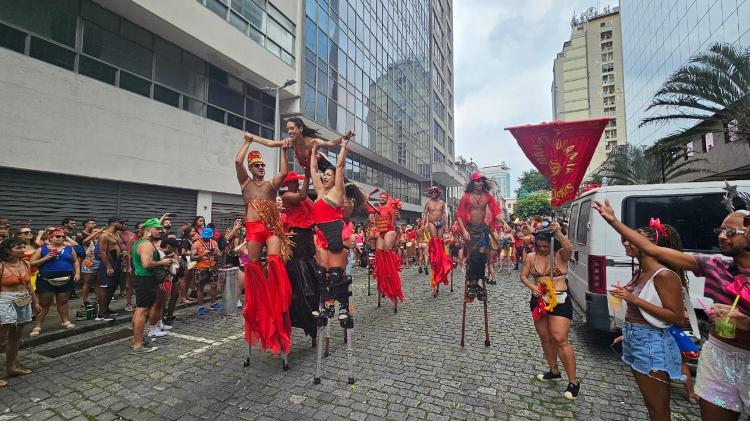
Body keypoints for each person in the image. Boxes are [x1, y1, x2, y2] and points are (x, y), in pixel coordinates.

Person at [592, 200, 750, 420]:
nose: (722, 236)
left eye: (730, 231)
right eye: (720, 231)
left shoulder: (664, 276)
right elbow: (652, 249)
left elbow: (675, 316)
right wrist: (613, 220)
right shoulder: (714, 265)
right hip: (718, 357)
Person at [606, 220, 689, 421]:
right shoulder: (640, 271)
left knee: (658, 409)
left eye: (633, 240)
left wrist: (634, 299)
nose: (626, 242)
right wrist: (626, 334)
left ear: (650, 244)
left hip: (652, 343)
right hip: (636, 339)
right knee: (651, 405)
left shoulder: (664, 275)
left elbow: (677, 318)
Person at [235, 134, 293, 358]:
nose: (260, 167)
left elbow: (284, 173)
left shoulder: (271, 186)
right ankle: (259, 302)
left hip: (272, 229)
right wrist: (248, 142)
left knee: (274, 262)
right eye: (256, 165)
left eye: (262, 165)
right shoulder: (246, 184)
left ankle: (277, 301)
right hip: (253, 230)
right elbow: (237, 162)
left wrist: (283, 149)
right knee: (253, 266)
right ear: (251, 168)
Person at [519, 223, 579, 400]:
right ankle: (554, 371)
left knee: (560, 338)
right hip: (539, 300)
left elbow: (569, 247)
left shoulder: (560, 255)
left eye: (546, 246)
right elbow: (523, 276)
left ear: (552, 245)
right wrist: (532, 286)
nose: (543, 249)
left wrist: (559, 232)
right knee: (545, 337)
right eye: (539, 246)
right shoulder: (530, 257)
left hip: (560, 299)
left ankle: (574, 382)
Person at [310, 140, 352, 320]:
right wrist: (313, 151)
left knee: (336, 274)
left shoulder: (337, 191)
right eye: (324, 174)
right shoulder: (320, 192)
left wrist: (343, 145)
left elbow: (340, 166)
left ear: (336, 179)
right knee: (321, 274)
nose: (325, 177)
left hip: (335, 234)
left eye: (329, 174)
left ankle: (343, 307)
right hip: (320, 235)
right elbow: (313, 170)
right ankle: (328, 307)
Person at [281, 169, 319, 342]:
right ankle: (300, 309)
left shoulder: (305, 197)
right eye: (294, 181)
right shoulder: (287, 196)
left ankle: (312, 309)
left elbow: (315, 209)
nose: (296, 183)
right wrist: (308, 177)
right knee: (298, 275)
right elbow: (301, 197)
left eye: (298, 181)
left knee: (311, 273)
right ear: (288, 184)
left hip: (308, 237)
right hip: (296, 236)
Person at [455, 172, 503, 300]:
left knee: (482, 257)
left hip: (483, 230)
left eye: (482, 180)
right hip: (470, 230)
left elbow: (496, 212)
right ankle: (473, 283)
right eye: (477, 181)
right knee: (474, 256)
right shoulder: (466, 197)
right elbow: (459, 215)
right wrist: (464, 230)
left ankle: (478, 283)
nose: (480, 183)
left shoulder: (487, 196)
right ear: (473, 182)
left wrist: (504, 222)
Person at [0, 238, 41, 387]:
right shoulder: (1, 266)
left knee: (16, 336)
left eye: (23, 246)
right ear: (7, 251)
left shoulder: (25, 263)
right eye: (18, 247)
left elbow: (29, 285)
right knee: (1, 337)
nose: (23, 249)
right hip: (5, 300)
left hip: (23, 299)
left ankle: (11, 367)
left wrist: (35, 302)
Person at [131, 218, 176, 351]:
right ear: (148, 231)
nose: (160, 231)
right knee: (142, 311)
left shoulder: (142, 242)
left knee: (140, 310)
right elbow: (147, 264)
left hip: (143, 278)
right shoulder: (146, 244)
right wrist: (162, 263)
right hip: (145, 279)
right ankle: (138, 344)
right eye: (158, 229)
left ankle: (137, 339)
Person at [247, 117, 354, 170]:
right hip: (310, 170)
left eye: (292, 128)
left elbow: (330, 143)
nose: (289, 132)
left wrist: (345, 137)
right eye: (288, 129)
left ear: (300, 129)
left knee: (343, 182)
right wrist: (253, 139)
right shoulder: (290, 143)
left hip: (323, 165)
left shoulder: (313, 141)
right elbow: (271, 143)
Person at [28, 228, 80, 336]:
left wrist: (77, 273)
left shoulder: (69, 249)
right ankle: (37, 326)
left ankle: (65, 321)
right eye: (58, 236)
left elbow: (75, 261)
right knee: (44, 303)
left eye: (63, 237)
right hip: (46, 280)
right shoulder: (42, 249)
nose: (61, 238)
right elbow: (31, 263)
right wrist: (46, 258)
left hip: (66, 279)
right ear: (50, 238)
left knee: (63, 301)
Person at [371, 191, 405, 308]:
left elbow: (398, 216)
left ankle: (390, 274)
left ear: (387, 198)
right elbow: (372, 217)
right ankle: (382, 274)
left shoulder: (390, 207)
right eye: (380, 196)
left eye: (384, 196)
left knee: (386, 253)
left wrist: (396, 214)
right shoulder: (377, 208)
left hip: (389, 232)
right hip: (380, 232)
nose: (381, 198)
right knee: (379, 254)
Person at [96, 217, 126, 321]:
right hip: (108, 263)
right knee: (105, 288)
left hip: (117, 262)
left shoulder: (117, 234)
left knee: (112, 287)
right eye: (121, 223)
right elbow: (102, 252)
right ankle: (101, 313)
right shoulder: (104, 235)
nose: (123, 225)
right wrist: (108, 266)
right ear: (113, 223)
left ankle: (106, 309)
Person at [191, 227, 221, 316]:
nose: (206, 238)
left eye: (208, 237)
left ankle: (213, 303)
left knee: (214, 285)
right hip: (201, 268)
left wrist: (216, 253)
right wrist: (203, 254)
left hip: (212, 266)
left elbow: (220, 254)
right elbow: (192, 258)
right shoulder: (196, 244)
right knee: (200, 288)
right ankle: (200, 307)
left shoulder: (214, 243)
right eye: (205, 236)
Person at [78, 219, 100, 307]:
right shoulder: (89, 241)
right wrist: (94, 235)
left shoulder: (102, 241)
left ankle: (98, 299)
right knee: (87, 282)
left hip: (99, 263)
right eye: (95, 231)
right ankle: (85, 301)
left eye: (98, 231)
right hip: (89, 263)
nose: (98, 232)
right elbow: (85, 241)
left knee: (98, 282)